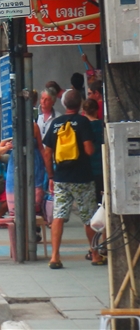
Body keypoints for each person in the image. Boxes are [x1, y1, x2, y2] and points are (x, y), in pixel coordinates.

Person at [42, 90, 102, 268]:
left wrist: (51, 176)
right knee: (88, 216)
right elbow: (89, 149)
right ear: (79, 104)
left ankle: (55, 257)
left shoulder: (55, 123)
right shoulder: (83, 122)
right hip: (82, 177)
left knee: (59, 215)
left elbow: (47, 153)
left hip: (61, 178)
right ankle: (95, 255)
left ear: (64, 104)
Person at [82, 98, 104, 203]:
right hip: (101, 166)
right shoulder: (102, 126)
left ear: (84, 111)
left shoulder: (82, 125)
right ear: (97, 110)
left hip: (86, 168)